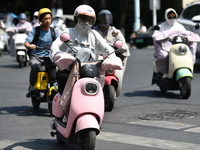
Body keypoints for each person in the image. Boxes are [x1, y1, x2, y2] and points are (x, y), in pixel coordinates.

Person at [50, 5, 123, 120]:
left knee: (97, 85)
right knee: (61, 77)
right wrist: (56, 53)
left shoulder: (95, 35)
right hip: (69, 70)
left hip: (89, 70)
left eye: (89, 20)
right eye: (83, 19)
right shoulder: (68, 32)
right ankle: (65, 111)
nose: (86, 23)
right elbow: (55, 45)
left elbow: (108, 49)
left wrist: (112, 58)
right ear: (76, 18)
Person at [24, 8, 59, 96]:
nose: (48, 20)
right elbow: (26, 42)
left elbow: (59, 42)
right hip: (36, 56)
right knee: (35, 67)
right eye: (45, 18)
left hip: (50, 57)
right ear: (40, 20)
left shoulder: (53, 31)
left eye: (49, 18)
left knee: (58, 68)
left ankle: (56, 87)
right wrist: (29, 45)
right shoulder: (36, 30)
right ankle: (32, 87)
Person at [93, 9, 130, 91]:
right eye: (103, 18)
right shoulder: (94, 30)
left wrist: (115, 44)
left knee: (126, 53)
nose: (105, 20)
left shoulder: (115, 31)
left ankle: (119, 76)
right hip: (98, 54)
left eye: (107, 18)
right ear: (99, 19)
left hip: (113, 54)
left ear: (111, 19)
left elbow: (124, 45)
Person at [152, 8, 187, 75]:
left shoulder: (180, 26)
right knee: (164, 57)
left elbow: (186, 34)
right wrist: (163, 37)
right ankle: (163, 73)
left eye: (174, 17)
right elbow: (154, 35)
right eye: (170, 17)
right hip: (165, 49)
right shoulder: (161, 26)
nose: (172, 19)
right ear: (166, 17)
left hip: (178, 49)